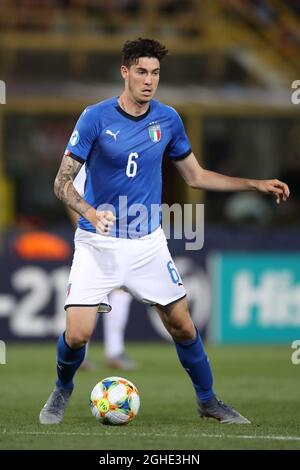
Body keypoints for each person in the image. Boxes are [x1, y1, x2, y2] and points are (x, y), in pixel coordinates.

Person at [39, 38, 290, 425]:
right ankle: (62, 389)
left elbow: (197, 175)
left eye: (155, 73)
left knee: (183, 324)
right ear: (125, 72)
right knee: (78, 335)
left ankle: (208, 401)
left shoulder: (168, 119)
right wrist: (90, 210)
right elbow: (61, 183)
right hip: (97, 242)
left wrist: (254, 184)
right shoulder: (95, 117)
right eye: (141, 71)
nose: (149, 80)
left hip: (147, 245)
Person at [67, 166, 136, 371]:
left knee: (118, 288)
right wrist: (86, 228)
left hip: (117, 231)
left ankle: (111, 352)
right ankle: (99, 352)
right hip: (95, 233)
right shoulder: (88, 155)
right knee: (97, 290)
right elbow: (72, 195)